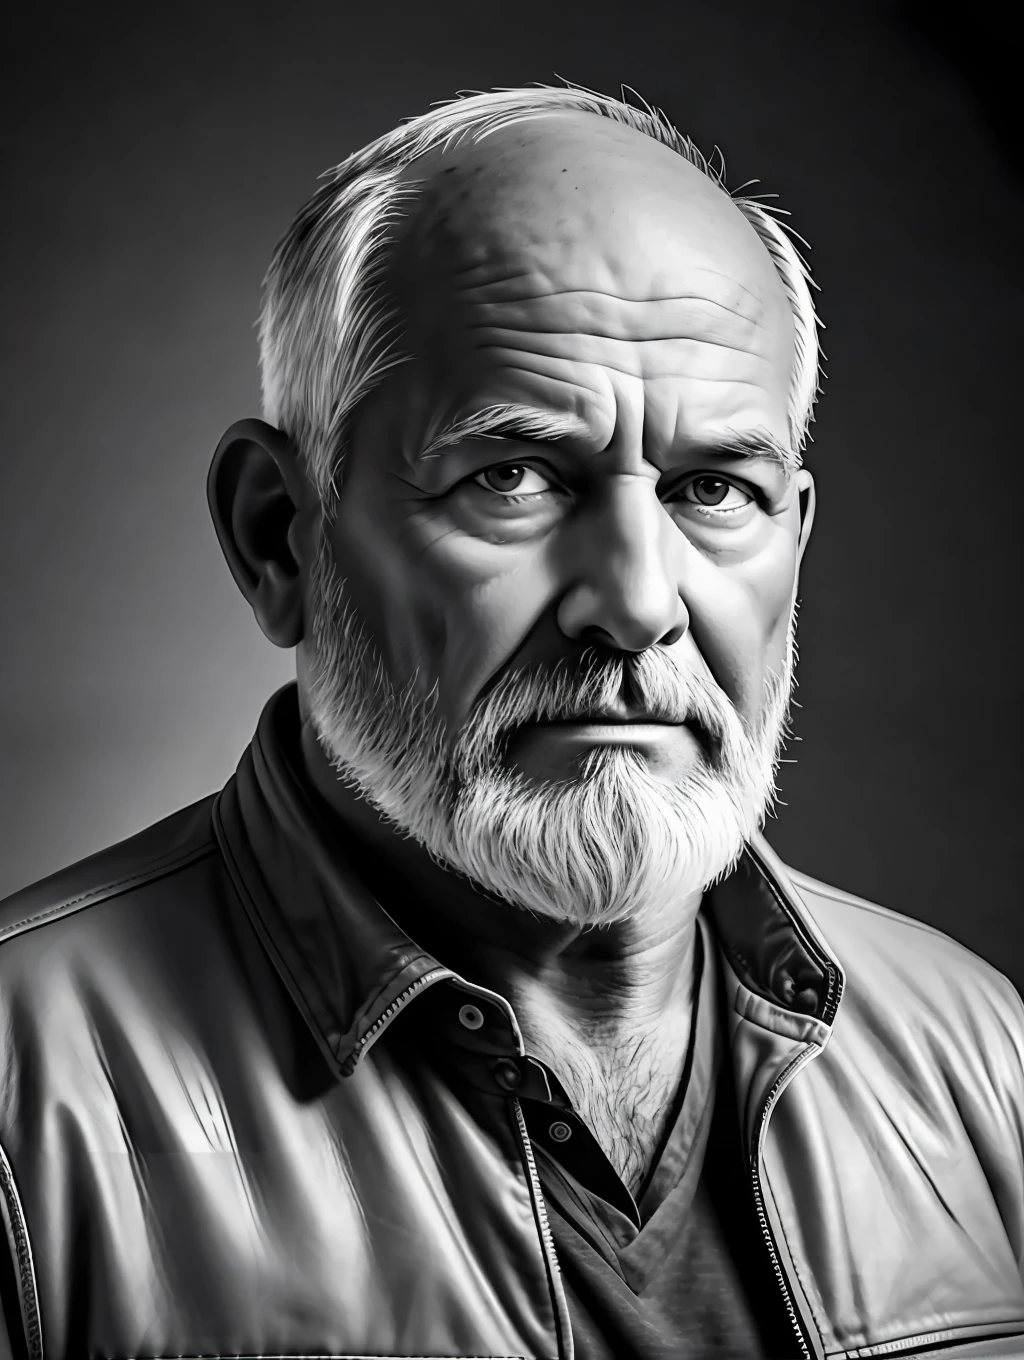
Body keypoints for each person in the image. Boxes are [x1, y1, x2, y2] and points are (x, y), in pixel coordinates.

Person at [0, 83, 1022, 1360]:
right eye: (516, 476)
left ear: (795, 542)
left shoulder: (980, 1058)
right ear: (281, 538)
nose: (638, 604)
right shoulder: (19, 1112)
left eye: (716, 488)